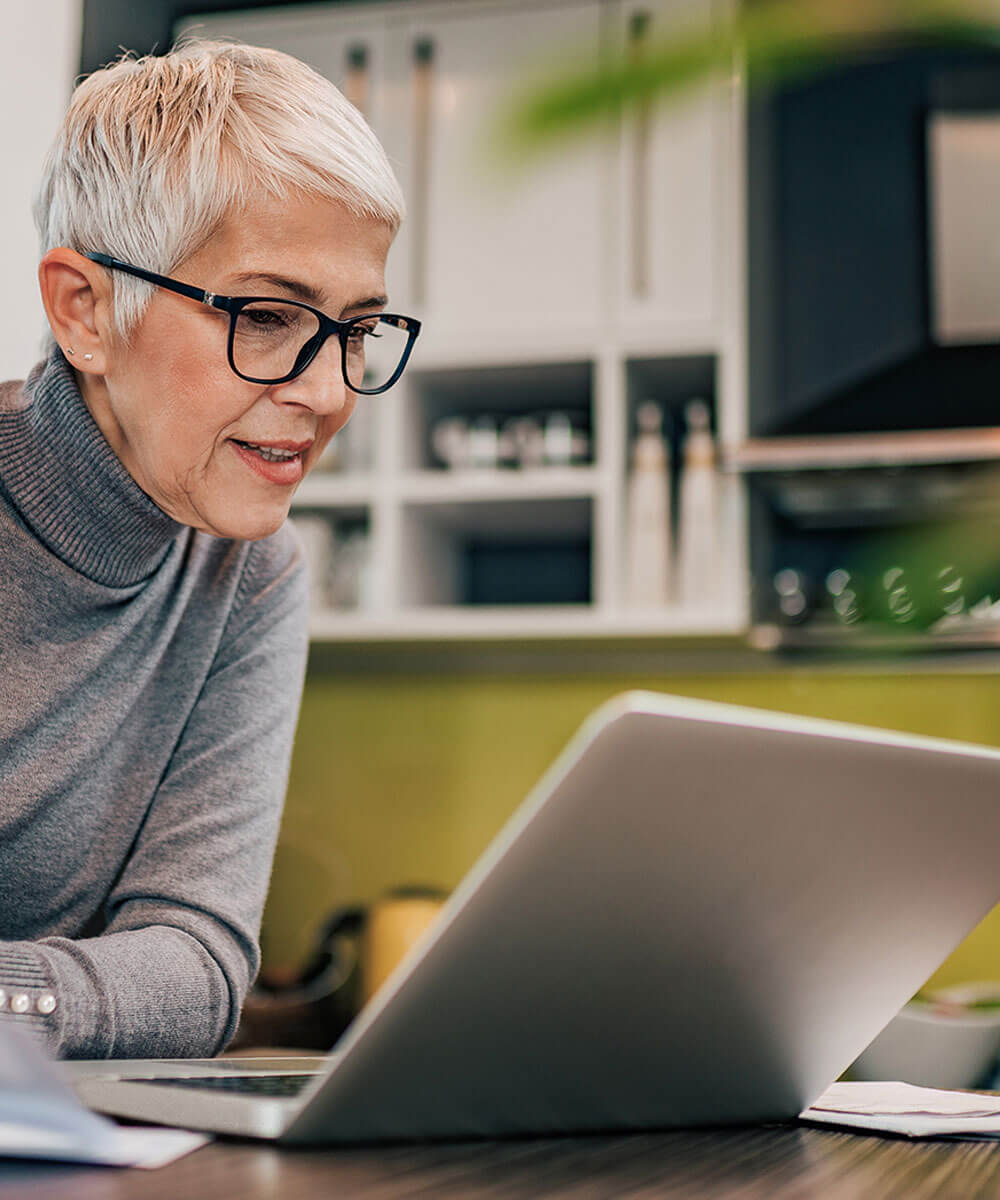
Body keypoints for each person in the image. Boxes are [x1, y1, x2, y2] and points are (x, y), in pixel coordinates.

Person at [0, 38, 418, 1058]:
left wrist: (17, 1005)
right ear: (84, 311)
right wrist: (76, 997)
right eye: (267, 317)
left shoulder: (249, 578)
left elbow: (196, 967)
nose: (325, 395)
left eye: (356, 330)